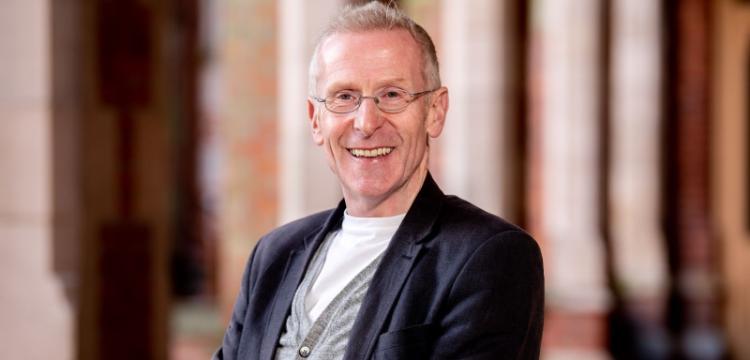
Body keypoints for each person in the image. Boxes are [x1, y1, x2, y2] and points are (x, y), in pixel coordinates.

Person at [214, 2, 544, 359]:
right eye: (344, 97)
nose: (366, 122)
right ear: (315, 119)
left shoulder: (490, 258)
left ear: (435, 112)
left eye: (391, 95)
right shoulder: (273, 255)